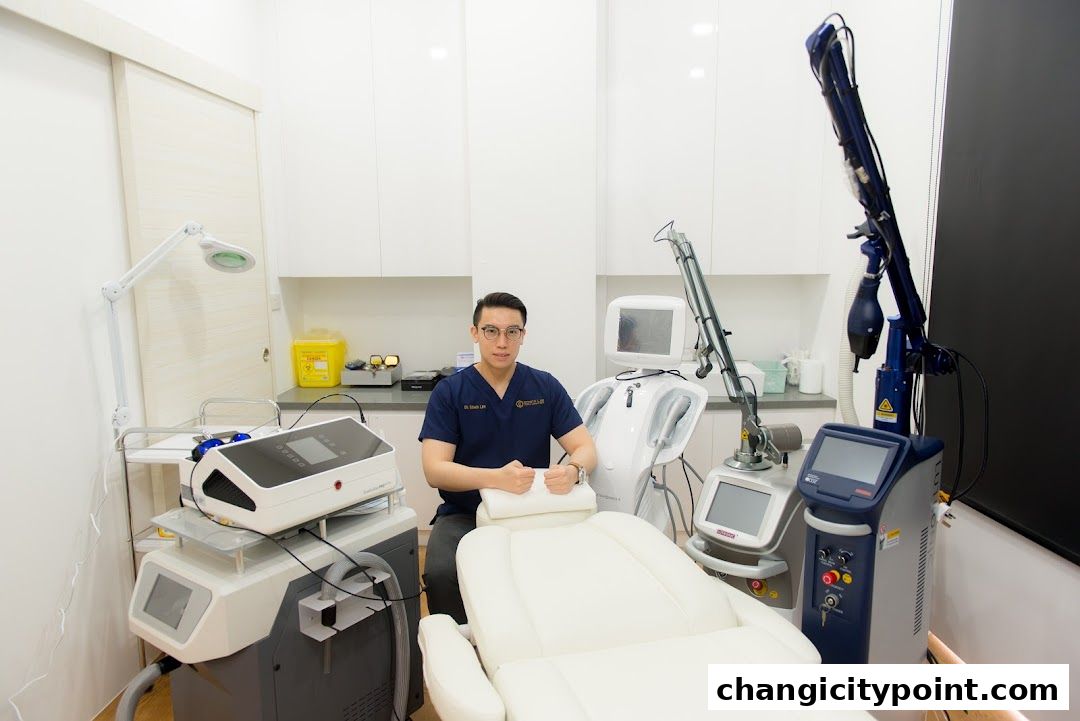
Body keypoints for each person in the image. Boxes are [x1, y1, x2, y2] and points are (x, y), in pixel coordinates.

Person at [418, 291, 598, 623]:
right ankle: (466, 651)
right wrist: (495, 478)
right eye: (491, 331)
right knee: (441, 572)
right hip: (465, 513)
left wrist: (573, 471)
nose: (502, 342)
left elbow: (586, 449)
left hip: (531, 512)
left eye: (512, 332)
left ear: (522, 336)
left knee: (556, 574)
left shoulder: (544, 387)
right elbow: (434, 469)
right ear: (475, 333)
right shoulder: (451, 393)